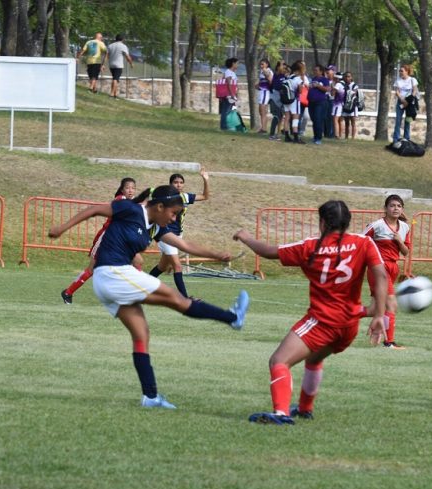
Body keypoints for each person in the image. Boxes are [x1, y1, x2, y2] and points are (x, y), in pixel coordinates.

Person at [47, 185, 250, 409]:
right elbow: (95, 209)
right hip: (114, 274)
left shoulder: (154, 228)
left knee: (141, 335)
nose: (174, 218)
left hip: (108, 281)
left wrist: (217, 254)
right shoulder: (131, 210)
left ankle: (150, 397)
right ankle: (232, 317)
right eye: (173, 213)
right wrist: (62, 228)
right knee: (178, 301)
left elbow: (184, 244)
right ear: (159, 206)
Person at [234, 200, 387, 425]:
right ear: (347, 222)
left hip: (322, 322)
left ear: (323, 222)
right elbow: (381, 276)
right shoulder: (364, 243)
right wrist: (378, 316)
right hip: (349, 326)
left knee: (279, 361)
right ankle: (305, 408)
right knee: (314, 358)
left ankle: (281, 413)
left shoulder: (311, 247)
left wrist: (245, 236)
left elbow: (269, 252)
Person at [61, 177, 139, 304]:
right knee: (91, 270)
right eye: (127, 188)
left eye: (133, 188)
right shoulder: (120, 200)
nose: (130, 190)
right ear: (122, 190)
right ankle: (68, 292)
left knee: (131, 264)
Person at [148, 169, 210, 297]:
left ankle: (140, 288)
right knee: (177, 266)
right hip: (165, 235)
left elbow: (205, 196)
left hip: (177, 235)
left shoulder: (184, 197)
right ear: (170, 184)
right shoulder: (163, 197)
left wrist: (205, 179)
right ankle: (185, 299)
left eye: (181, 182)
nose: (179, 184)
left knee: (162, 267)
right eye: (175, 182)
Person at [361, 194, 411, 349]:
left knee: (376, 309)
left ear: (402, 209)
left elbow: (406, 252)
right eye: (392, 205)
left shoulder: (404, 227)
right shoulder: (376, 225)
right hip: (378, 268)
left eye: (399, 206)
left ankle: (342, 313)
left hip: (393, 267)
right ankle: (389, 342)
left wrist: (399, 241)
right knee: (391, 304)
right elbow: (360, 242)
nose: (395, 208)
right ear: (385, 208)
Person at [392, 65, 419, 143]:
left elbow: (414, 90)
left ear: (407, 71)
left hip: (409, 102)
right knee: (398, 120)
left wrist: (409, 100)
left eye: (402, 71)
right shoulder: (398, 80)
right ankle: (396, 139)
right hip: (401, 101)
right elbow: (397, 91)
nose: (400, 72)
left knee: (408, 120)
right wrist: (402, 99)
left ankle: (406, 138)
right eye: (400, 71)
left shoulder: (412, 80)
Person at [283, 60, 307, 144]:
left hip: (286, 100)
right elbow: (300, 91)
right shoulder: (297, 79)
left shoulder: (288, 77)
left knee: (287, 118)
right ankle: (296, 136)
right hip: (294, 100)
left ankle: (286, 136)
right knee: (295, 118)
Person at [307, 64, 331, 145]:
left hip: (320, 102)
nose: (314, 72)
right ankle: (315, 136)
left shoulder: (324, 79)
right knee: (314, 119)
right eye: (314, 70)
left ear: (321, 71)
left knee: (318, 119)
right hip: (311, 102)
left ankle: (319, 138)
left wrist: (318, 86)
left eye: (316, 70)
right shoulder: (312, 79)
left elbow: (327, 89)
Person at [107, 34, 133, 99]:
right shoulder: (123, 46)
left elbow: (107, 55)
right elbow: (127, 56)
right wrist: (131, 63)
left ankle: (115, 95)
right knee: (115, 79)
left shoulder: (110, 45)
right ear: (123, 39)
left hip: (111, 65)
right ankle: (112, 94)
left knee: (114, 78)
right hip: (118, 65)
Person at [268, 61, 289, 141]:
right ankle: (271, 135)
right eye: (283, 67)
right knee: (276, 116)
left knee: (280, 117)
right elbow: (279, 69)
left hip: (280, 100)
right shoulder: (277, 75)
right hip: (274, 99)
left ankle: (277, 134)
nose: (284, 69)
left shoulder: (284, 76)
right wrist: (281, 63)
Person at [219, 58, 239, 131]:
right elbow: (229, 83)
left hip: (232, 94)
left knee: (230, 109)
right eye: (237, 63)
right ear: (233, 64)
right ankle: (224, 127)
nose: (238, 65)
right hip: (229, 95)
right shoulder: (228, 72)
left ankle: (229, 125)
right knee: (226, 110)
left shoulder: (232, 73)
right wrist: (232, 94)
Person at [256, 59, 274, 134]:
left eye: (263, 64)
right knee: (260, 111)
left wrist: (265, 73)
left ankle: (264, 129)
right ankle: (263, 127)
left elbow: (270, 80)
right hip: (261, 91)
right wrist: (257, 85)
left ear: (267, 64)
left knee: (263, 110)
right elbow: (261, 81)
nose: (261, 66)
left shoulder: (269, 71)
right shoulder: (261, 71)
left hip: (265, 92)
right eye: (260, 64)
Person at [341, 71, 359, 139]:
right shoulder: (343, 85)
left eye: (348, 76)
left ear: (351, 77)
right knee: (346, 122)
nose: (347, 78)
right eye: (346, 76)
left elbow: (354, 93)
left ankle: (353, 137)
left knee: (353, 122)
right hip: (346, 105)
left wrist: (349, 92)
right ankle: (346, 137)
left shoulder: (354, 85)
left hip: (353, 105)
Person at [330, 69, 345, 140]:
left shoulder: (338, 84)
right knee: (340, 120)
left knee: (335, 119)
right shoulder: (344, 84)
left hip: (337, 104)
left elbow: (332, 94)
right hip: (342, 104)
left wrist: (332, 86)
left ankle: (336, 135)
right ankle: (340, 135)